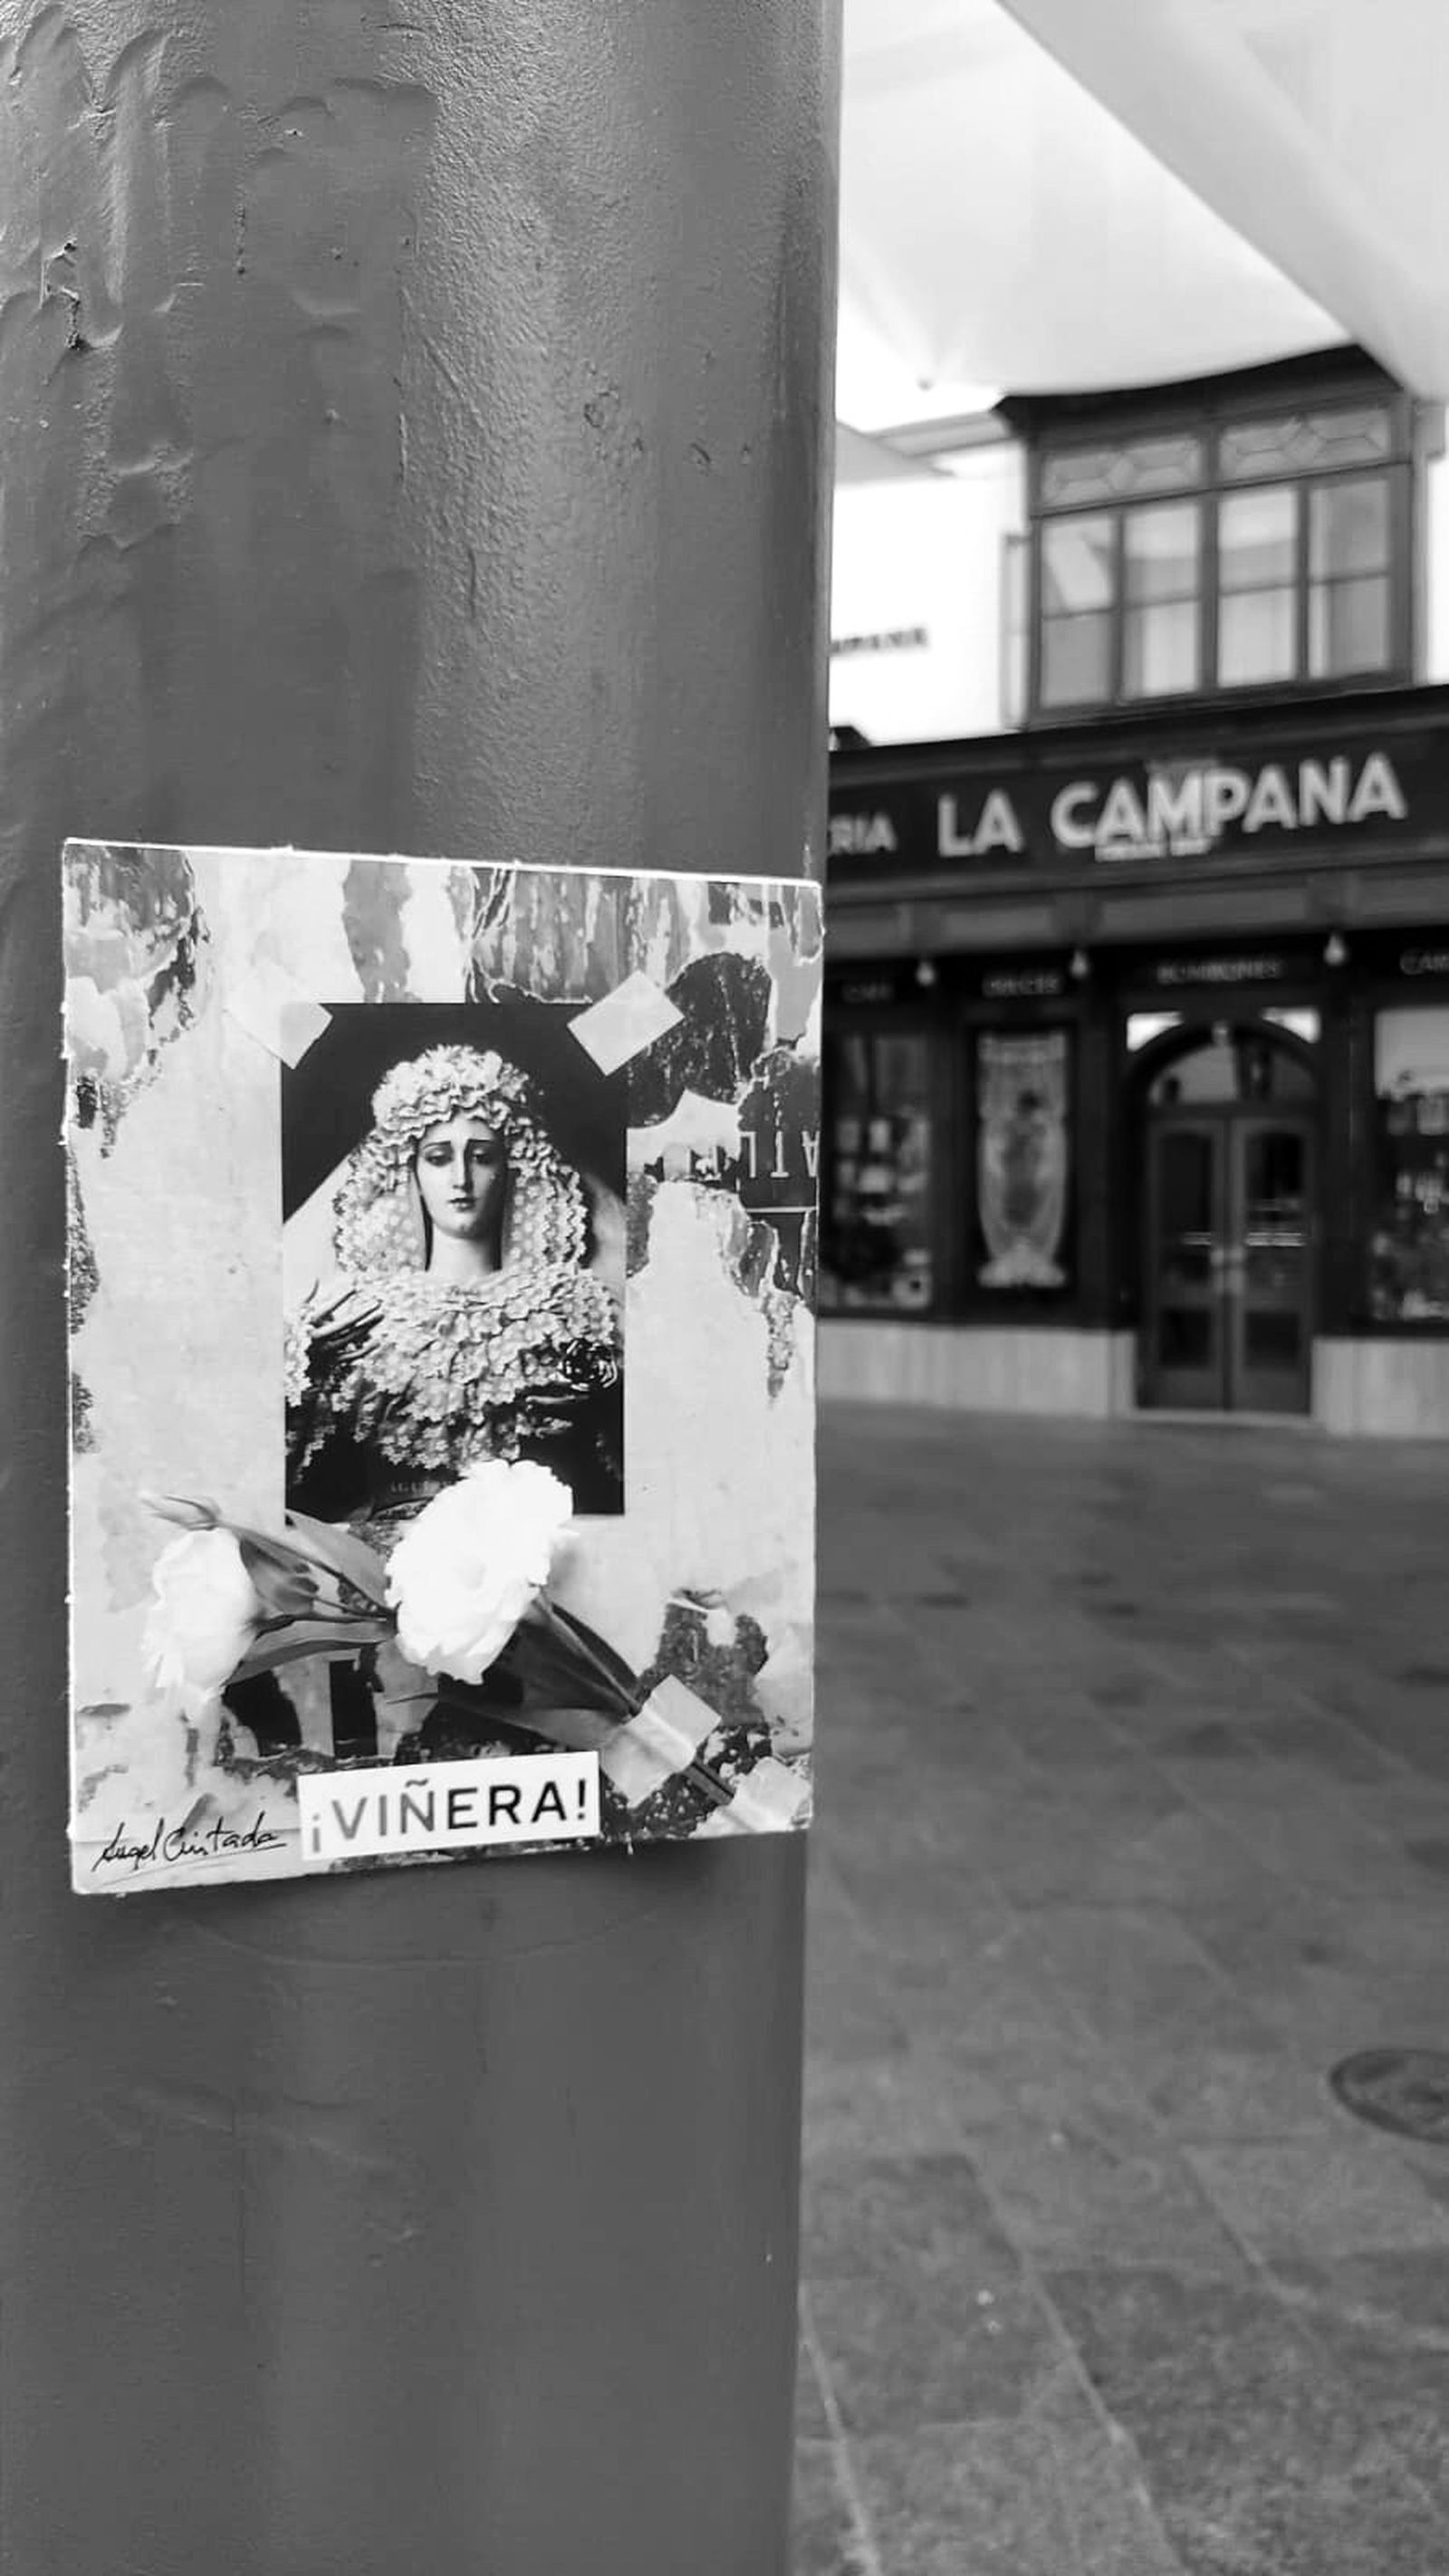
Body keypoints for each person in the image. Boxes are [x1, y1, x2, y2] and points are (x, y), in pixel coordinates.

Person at [284, 1043, 622, 1533]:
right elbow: (283, 1476)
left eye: (482, 1157)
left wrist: (609, 1397)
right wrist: (301, 1365)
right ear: (413, 1174)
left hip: (533, 1554)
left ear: (511, 1169)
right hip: (390, 1562)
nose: (461, 1179)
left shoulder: (570, 1306)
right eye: (439, 1158)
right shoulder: (361, 1312)